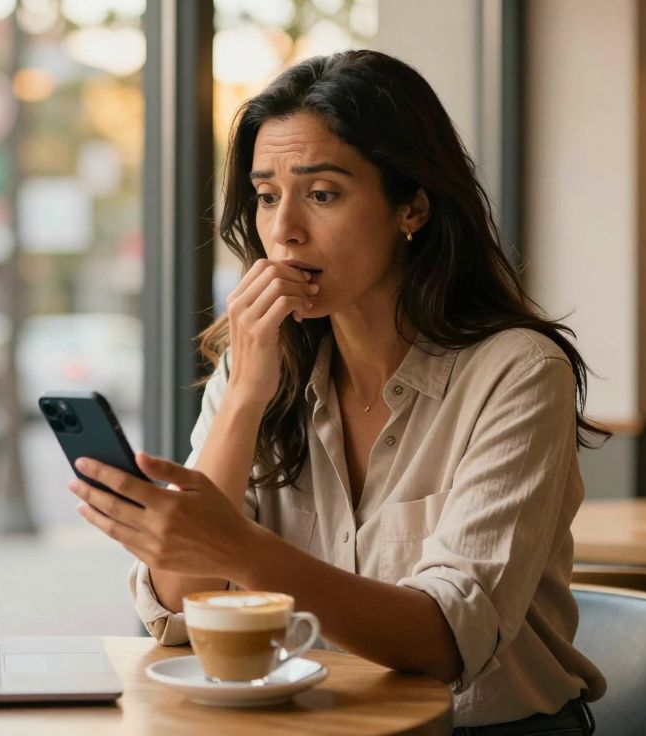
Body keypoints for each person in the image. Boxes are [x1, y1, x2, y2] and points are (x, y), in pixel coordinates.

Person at [66, 50, 606, 733]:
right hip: (308, 724)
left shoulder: (518, 372)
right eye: (267, 196)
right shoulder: (257, 366)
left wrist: (237, 548)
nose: (283, 231)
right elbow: (180, 611)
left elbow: (445, 642)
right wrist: (245, 396)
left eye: (322, 194)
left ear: (412, 207)